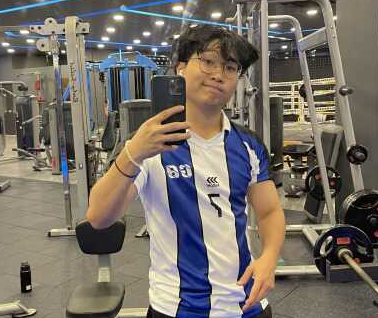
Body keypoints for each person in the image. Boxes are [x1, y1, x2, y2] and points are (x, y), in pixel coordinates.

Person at [87, 25, 285, 318]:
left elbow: (269, 212)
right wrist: (133, 154)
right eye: (208, 62)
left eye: (230, 67)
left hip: (246, 304)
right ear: (180, 68)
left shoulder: (249, 144)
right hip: (177, 307)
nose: (218, 75)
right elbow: (98, 218)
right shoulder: (146, 145)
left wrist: (269, 257)